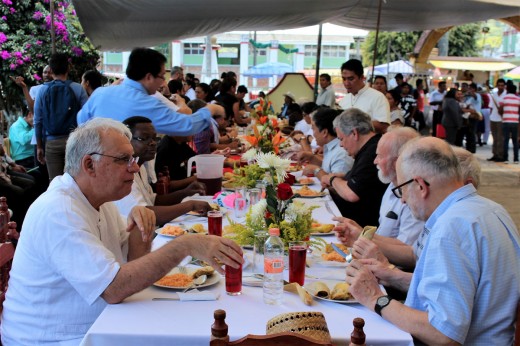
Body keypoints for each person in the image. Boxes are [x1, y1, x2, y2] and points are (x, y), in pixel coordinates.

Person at [0, 118, 243, 345]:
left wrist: (140, 228)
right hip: (49, 340)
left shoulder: (98, 201)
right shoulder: (59, 210)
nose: (135, 169)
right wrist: (186, 245)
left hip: (96, 325)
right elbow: (114, 288)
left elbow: (132, 266)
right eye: (123, 159)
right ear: (89, 164)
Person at [345, 137, 519, 345]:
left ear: (420, 185)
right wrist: (394, 277)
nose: (402, 199)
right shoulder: (490, 209)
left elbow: (443, 334)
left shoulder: (450, 229)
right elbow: (465, 289)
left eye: (401, 189)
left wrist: (375, 298)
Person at [77, 48, 224, 137]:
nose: (162, 83)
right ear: (148, 77)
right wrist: (211, 109)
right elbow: (187, 125)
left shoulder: (100, 93)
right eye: (161, 77)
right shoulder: (147, 104)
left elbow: (81, 122)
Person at [114, 116, 211, 225]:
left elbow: (153, 200)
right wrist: (190, 205)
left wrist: (185, 192)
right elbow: (143, 215)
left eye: (154, 138)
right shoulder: (123, 173)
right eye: (144, 138)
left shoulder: (141, 167)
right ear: (127, 141)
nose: (153, 143)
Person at [320, 108, 388, 227]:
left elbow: (352, 194)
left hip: (365, 226)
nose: (341, 144)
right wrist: (344, 176)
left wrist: (331, 179)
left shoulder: (372, 152)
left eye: (341, 139)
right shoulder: (368, 147)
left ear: (354, 134)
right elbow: (363, 180)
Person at [34, 52, 89, 181]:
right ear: (68, 68)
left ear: (51, 70)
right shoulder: (77, 89)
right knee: (76, 182)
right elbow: (87, 118)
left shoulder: (42, 90)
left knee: (55, 184)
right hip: (74, 142)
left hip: (51, 143)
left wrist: (40, 147)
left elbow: (38, 120)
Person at [295, 108, 353, 181]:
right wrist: (312, 158)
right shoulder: (330, 146)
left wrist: (315, 170)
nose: (313, 134)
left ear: (324, 132)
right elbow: (329, 169)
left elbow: (338, 187)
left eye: (313, 129)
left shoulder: (341, 154)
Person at [338, 59, 390, 134]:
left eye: (351, 79)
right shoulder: (344, 100)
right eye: (344, 79)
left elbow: (384, 126)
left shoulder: (378, 97)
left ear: (362, 77)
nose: (346, 83)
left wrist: (356, 125)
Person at [488, 79, 507, 161]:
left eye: (502, 85)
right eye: (499, 85)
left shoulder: (506, 95)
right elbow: (491, 107)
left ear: (504, 86)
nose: (500, 87)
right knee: (494, 138)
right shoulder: (494, 94)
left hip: (501, 119)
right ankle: (495, 154)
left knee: (500, 138)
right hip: (493, 118)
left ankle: (500, 155)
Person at [501, 84, 520, 163]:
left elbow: (500, 109)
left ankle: (505, 158)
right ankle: (516, 159)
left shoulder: (504, 98)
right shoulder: (518, 99)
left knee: (506, 140)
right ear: (515, 91)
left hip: (506, 121)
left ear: (507, 90)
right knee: (515, 141)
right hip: (515, 121)